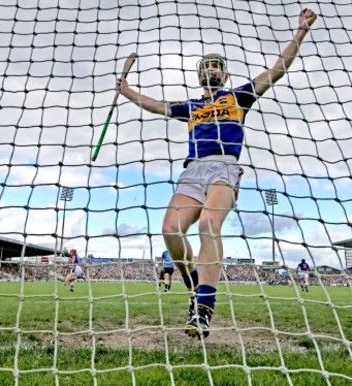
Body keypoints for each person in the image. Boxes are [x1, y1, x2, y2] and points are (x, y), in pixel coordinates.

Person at [117, 8, 318, 339]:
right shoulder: (192, 108)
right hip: (192, 171)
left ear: (223, 76)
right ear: (200, 76)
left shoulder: (238, 97)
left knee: (210, 224)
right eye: (206, 66)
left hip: (224, 166)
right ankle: (194, 287)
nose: (211, 69)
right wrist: (127, 91)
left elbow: (277, 69)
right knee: (170, 230)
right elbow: (156, 105)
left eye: (216, 66)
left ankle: (204, 307)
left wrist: (300, 32)